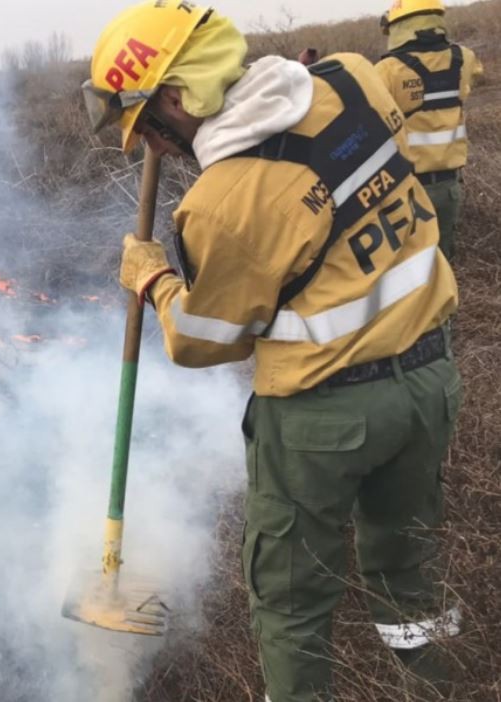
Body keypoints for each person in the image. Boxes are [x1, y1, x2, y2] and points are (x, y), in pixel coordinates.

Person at [82, 2, 461, 700]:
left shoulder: (222, 205)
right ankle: (442, 684)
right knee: (405, 566)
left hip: (323, 423)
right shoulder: (350, 78)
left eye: (151, 131)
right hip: (429, 381)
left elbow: (205, 342)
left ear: (176, 97)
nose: (155, 151)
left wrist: (152, 279)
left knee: (290, 604)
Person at [376, 0, 484, 261]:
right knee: (442, 264)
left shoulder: (387, 70)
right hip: (449, 187)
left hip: (406, 188)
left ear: (399, 25)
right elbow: (475, 75)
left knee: (406, 267)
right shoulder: (464, 58)